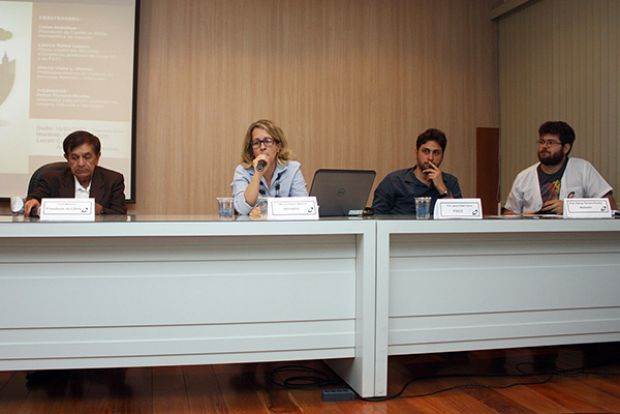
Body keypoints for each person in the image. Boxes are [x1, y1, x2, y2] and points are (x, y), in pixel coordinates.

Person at [504, 121, 616, 215]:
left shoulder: (583, 169)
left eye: (550, 142)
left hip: (574, 233)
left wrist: (570, 208)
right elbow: (509, 213)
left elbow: (610, 206)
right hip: (534, 233)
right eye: (542, 142)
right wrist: (524, 216)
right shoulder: (523, 177)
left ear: (565, 148)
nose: (544, 146)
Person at [24, 130, 126, 216]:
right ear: (67, 158)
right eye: (74, 158)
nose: (81, 163)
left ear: (97, 157)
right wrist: (33, 202)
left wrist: (101, 210)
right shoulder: (51, 179)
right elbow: (34, 199)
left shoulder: (113, 180)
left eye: (87, 157)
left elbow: (120, 214)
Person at [372, 128, 462, 215]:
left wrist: (443, 189)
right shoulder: (394, 181)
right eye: (426, 151)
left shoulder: (450, 182)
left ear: (442, 156)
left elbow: (459, 218)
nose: (430, 158)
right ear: (416, 152)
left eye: (436, 153)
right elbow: (376, 218)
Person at [232, 119, 308, 215]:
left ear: (278, 146)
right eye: (256, 143)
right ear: (251, 150)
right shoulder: (242, 171)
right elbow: (242, 209)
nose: (262, 147)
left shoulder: (292, 169)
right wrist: (257, 174)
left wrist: (265, 210)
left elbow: (304, 207)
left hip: (285, 224)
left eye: (267, 141)